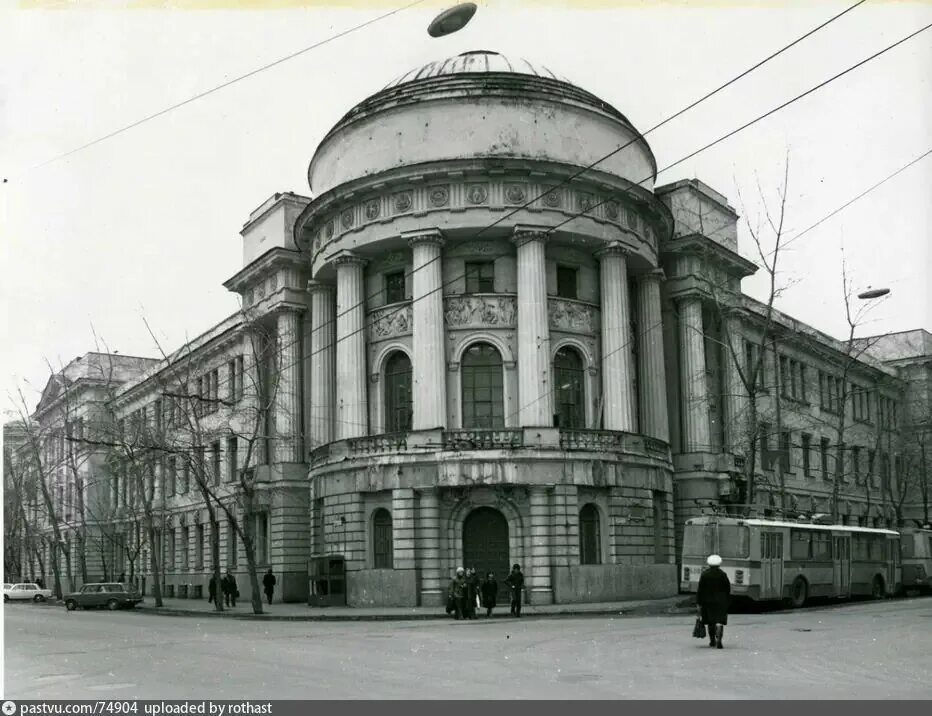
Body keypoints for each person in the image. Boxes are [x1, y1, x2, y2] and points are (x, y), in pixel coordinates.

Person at [697, 554, 731, 649]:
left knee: (710, 621)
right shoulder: (723, 575)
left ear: (709, 564)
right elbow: (727, 588)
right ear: (719, 564)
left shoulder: (704, 575)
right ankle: (719, 637)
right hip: (721, 601)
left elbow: (700, 590)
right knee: (719, 620)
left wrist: (699, 602)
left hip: (708, 601)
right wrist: (727, 601)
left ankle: (712, 640)